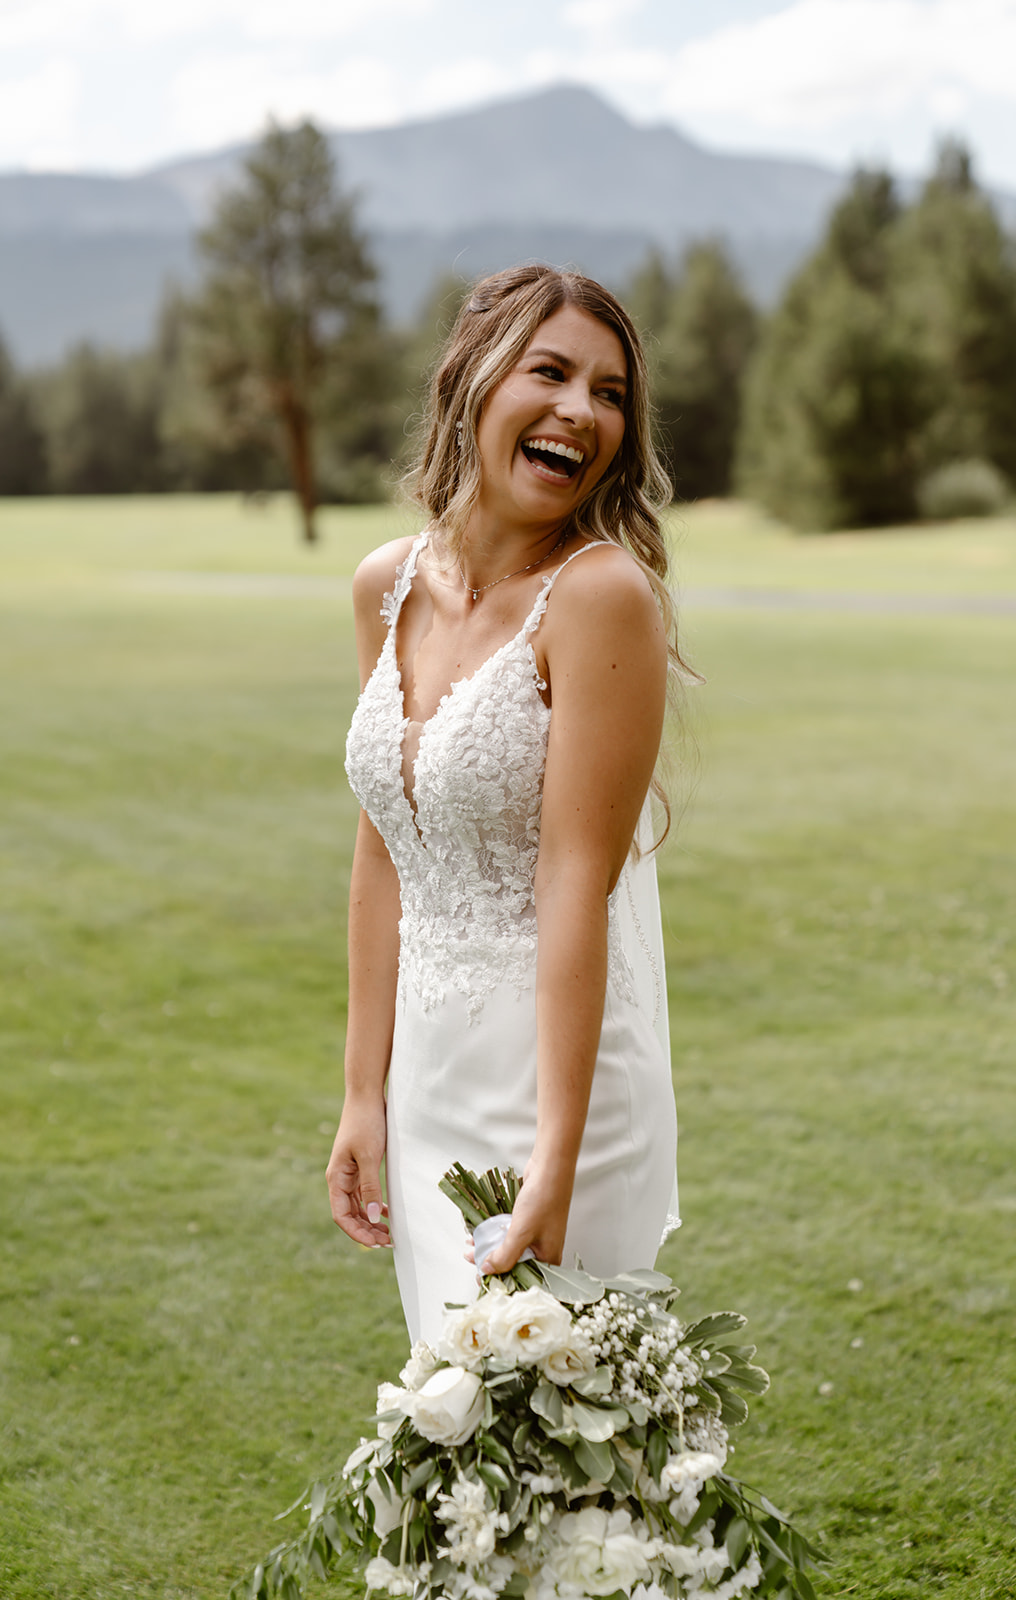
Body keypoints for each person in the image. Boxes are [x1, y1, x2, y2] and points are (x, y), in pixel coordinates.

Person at [327, 264, 685, 1344]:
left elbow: (575, 881)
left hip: (554, 1083)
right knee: (459, 1454)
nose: (582, 411)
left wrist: (555, 1162)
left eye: (610, 392)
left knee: (564, 1461)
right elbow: (384, 847)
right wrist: (361, 1093)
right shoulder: (382, 587)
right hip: (427, 1077)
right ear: (472, 380)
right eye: (550, 371)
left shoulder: (600, 598)